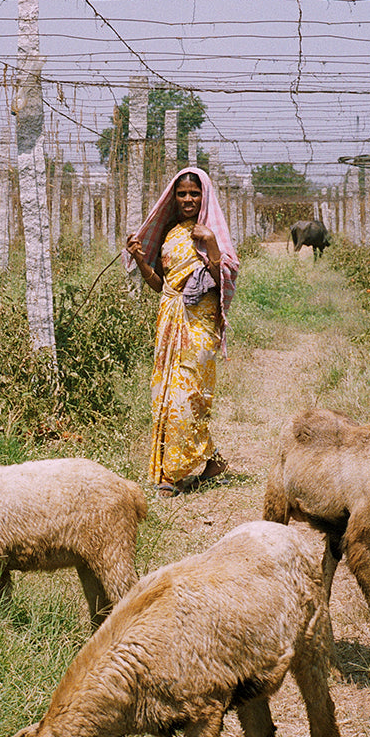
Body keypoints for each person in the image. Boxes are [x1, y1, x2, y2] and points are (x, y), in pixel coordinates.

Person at [124, 166, 239, 496]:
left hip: (199, 325)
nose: (188, 199)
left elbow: (225, 278)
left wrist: (212, 246)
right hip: (170, 321)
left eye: (194, 193)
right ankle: (211, 460)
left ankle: (172, 475)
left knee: (187, 395)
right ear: (173, 198)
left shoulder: (211, 232)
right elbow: (161, 285)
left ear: (205, 196)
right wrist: (142, 261)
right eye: (182, 193)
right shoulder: (172, 234)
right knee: (165, 395)